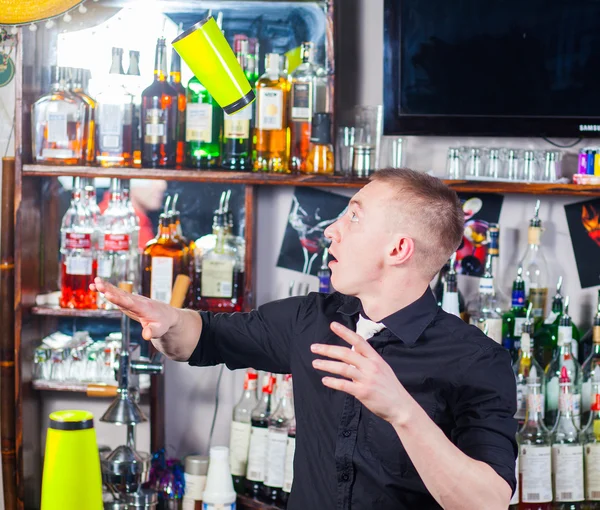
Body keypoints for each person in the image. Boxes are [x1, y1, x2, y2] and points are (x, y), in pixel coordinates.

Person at [92, 168, 517, 510]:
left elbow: (488, 502)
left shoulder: (478, 360)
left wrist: (401, 410)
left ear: (398, 249)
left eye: (354, 216)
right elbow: (202, 337)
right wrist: (165, 320)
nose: (332, 230)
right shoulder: (310, 319)